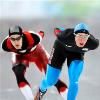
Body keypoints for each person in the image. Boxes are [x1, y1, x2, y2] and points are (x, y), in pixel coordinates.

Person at [35, 23, 99, 100]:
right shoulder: (65, 36)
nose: (82, 39)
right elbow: (57, 30)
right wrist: (61, 30)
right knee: (50, 81)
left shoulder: (93, 44)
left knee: (74, 80)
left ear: (88, 37)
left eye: (85, 37)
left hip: (76, 54)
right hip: (60, 49)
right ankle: (41, 90)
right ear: (74, 35)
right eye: (79, 36)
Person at [1, 26, 68, 100]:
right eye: (13, 39)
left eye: (18, 38)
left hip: (38, 54)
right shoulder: (5, 45)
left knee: (53, 80)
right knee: (19, 74)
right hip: (20, 56)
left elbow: (41, 34)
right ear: (9, 39)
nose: (16, 42)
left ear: (22, 36)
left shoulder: (33, 37)